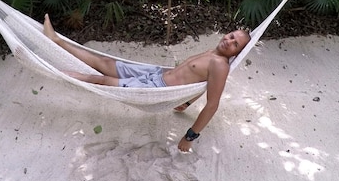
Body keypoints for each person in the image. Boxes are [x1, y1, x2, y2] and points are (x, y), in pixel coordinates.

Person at [42, 14, 250, 152]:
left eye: (235, 44)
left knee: (103, 80)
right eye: (231, 36)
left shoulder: (220, 65)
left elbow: (212, 104)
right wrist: (186, 104)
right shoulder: (212, 52)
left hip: (157, 89)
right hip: (155, 73)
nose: (229, 41)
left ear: (236, 53)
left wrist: (190, 136)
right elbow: (200, 84)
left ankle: (56, 72)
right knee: (104, 63)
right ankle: (57, 41)